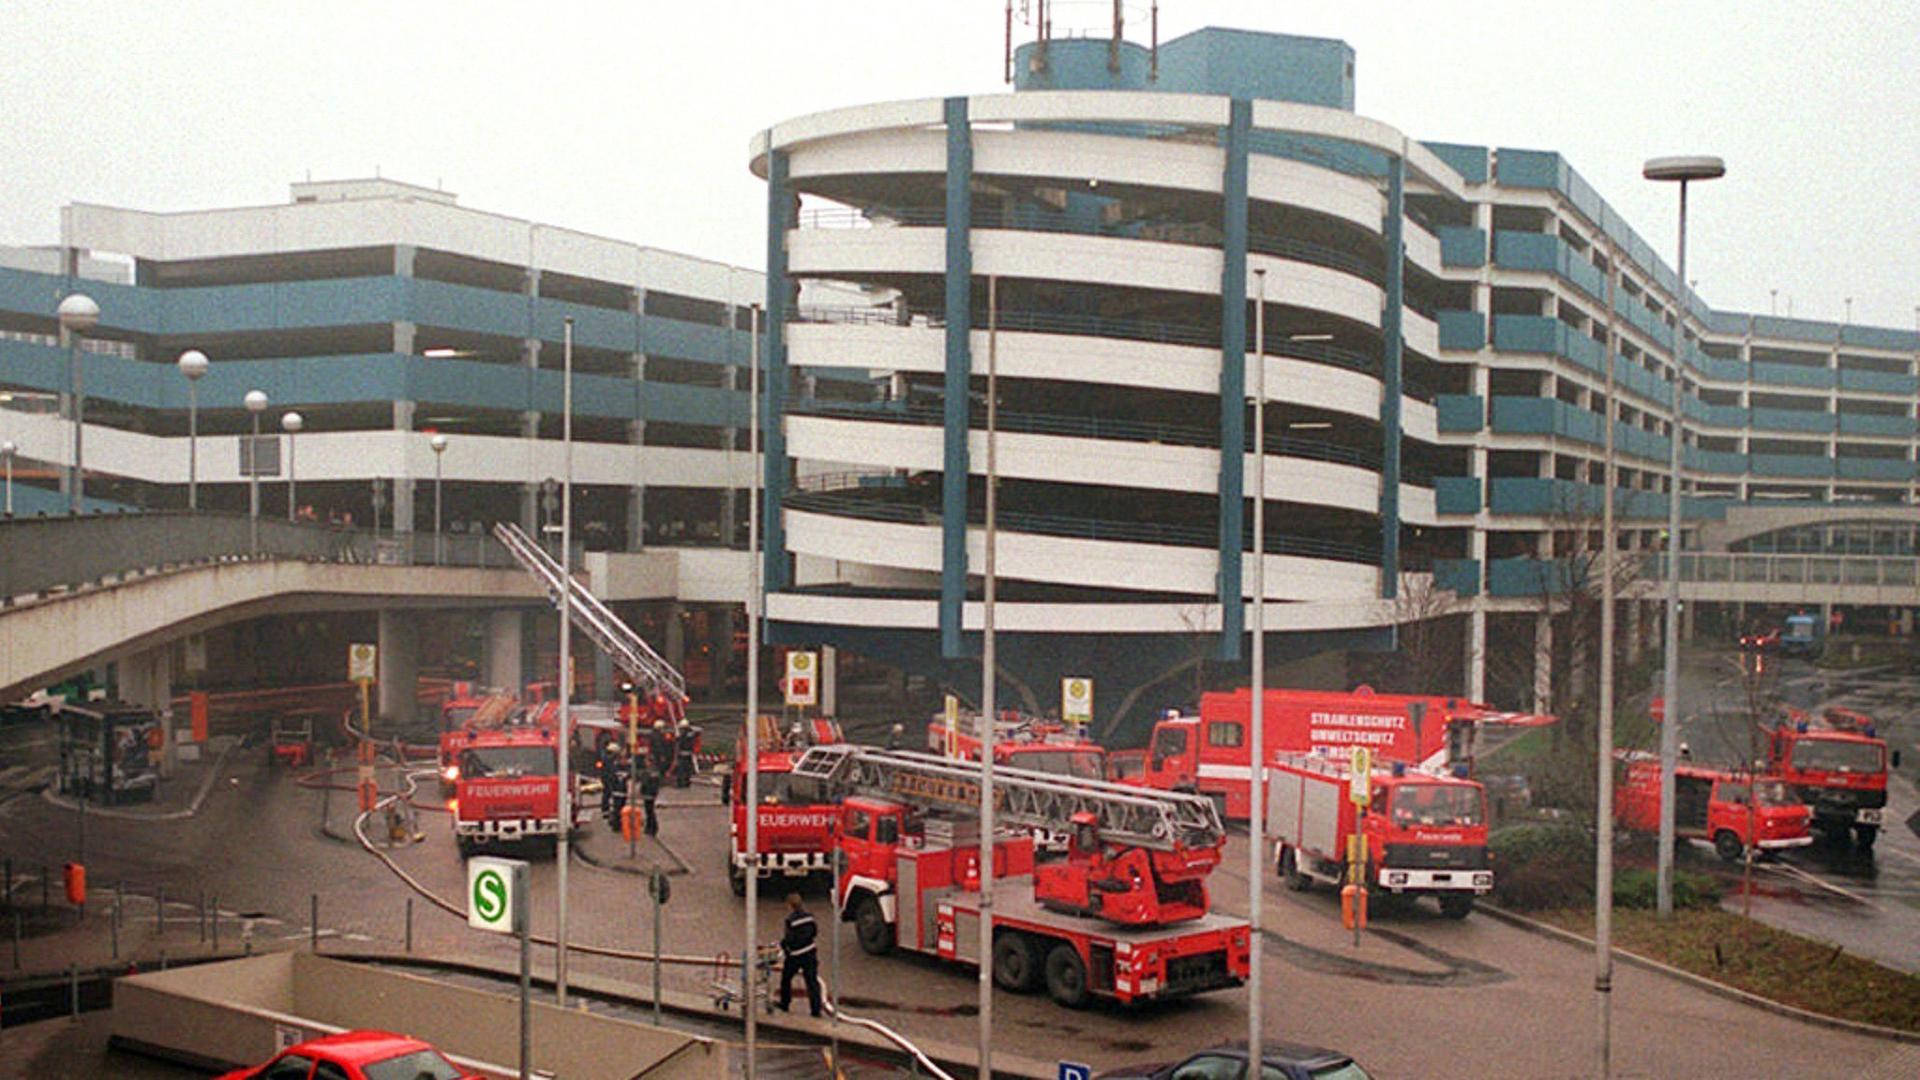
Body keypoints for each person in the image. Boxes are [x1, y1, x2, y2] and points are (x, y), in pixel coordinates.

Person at [775, 892, 822, 1017]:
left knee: (786, 978)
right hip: (810, 952)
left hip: (796, 955)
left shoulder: (790, 920)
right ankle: (816, 1009)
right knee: (812, 982)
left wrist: (783, 946)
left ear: (790, 906)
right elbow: (814, 932)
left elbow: (790, 939)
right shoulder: (809, 917)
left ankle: (785, 1003)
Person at [639, 764, 661, 837]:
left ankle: (651, 827)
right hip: (653, 794)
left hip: (648, 794)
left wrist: (642, 791)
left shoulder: (647, 772)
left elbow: (644, 783)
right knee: (650, 810)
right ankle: (651, 827)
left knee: (649, 811)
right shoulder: (656, 772)